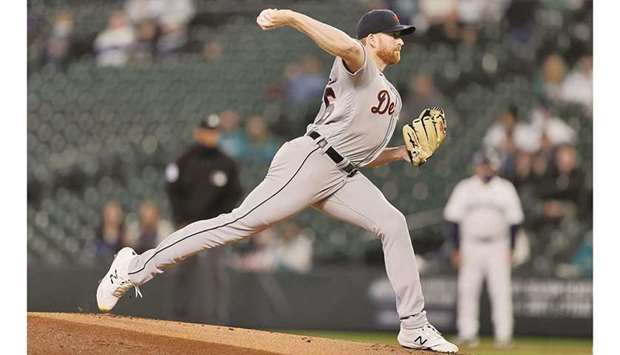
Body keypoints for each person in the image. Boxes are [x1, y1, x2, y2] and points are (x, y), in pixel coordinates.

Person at [96, 8, 458, 352]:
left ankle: (414, 326)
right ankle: (132, 268)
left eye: (402, 36)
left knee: (393, 223)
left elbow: (359, 156)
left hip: (342, 173)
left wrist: (400, 154)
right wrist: (291, 17)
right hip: (310, 160)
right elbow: (347, 45)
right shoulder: (359, 65)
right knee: (235, 225)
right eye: (393, 35)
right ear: (372, 39)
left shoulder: (391, 95)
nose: (401, 41)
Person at [165, 114, 244, 323]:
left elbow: (234, 193)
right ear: (198, 132)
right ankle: (179, 319)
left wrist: (221, 219)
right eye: (208, 132)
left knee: (215, 273)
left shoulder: (227, 163)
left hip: (215, 227)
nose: (211, 136)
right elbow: (173, 190)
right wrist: (180, 218)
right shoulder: (184, 160)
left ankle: (216, 322)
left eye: (215, 132)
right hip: (187, 225)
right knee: (184, 271)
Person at [443, 150, 524, 348]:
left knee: (501, 290)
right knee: (467, 290)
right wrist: (456, 248)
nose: (485, 168)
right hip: (470, 245)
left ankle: (504, 335)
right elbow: (453, 220)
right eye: (482, 164)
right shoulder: (465, 187)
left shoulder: (505, 188)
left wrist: (512, 247)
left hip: (498, 245)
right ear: (476, 166)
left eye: (488, 165)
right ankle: (467, 333)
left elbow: (514, 220)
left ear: (495, 166)